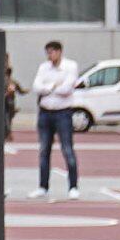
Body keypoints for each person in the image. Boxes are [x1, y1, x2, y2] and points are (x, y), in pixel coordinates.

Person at [31, 38, 86, 194]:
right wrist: (53, 86)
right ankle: (43, 186)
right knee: (44, 150)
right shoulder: (44, 67)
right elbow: (37, 87)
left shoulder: (70, 66)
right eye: (48, 52)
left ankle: (73, 186)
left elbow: (67, 89)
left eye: (52, 52)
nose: (50, 55)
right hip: (45, 112)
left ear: (59, 52)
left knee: (67, 149)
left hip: (63, 112)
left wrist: (48, 88)